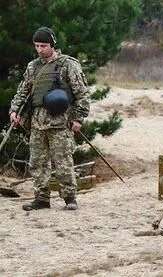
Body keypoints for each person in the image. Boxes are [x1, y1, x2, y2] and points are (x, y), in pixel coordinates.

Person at [9, 27, 90, 211]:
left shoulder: (68, 64)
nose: (40, 49)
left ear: (52, 44)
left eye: (43, 45)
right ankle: (41, 198)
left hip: (61, 122)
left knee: (62, 161)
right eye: (37, 46)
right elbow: (23, 91)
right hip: (37, 123)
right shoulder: (33, 66)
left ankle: (70, 197)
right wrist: (15, 111)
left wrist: (78, 118)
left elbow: (82, 93)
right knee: (37, 162)